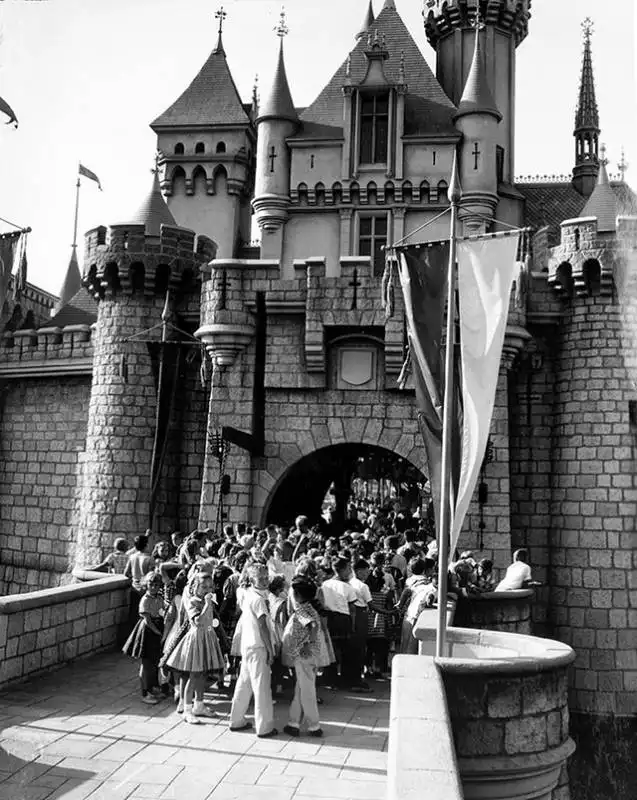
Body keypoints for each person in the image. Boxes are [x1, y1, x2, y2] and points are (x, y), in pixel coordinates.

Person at [164, 571, 224, 724]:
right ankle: (187, 709)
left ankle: (199, 704)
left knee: (203, 674)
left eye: (210, 587)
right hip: (196, 640)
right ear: (195, 587)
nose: (208, 590)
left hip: (207, 638)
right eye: (203, 587)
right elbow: (199, 621)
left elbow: (212, 621)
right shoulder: (193, 602)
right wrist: (208, 604)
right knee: (193, 676)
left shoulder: (207, 601)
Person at [229, 563, 278, 738]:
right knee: (262, 687)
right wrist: (270, 649)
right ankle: (264, 727)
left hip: (247, 645)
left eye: (266, 577)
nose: (265, 581)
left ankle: (236, 719)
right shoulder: (258, 599)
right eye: (261, 578)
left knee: (244, 684)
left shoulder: (247, 594)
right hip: (258, 646)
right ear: (251, 579)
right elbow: (263, 625)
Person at [282, 577, 323, 738]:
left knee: (306, 691)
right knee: (300, 690)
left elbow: (311, 626)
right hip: (308, 657)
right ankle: (293, 723)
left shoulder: (301, 611)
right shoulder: (310, 608)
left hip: (304, 655)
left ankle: (314, 726)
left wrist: (307, 644)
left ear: (297, 595)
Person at [122, 571, 165, 705]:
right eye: (151, 584)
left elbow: (161, 612)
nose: (153, 587)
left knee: (154, 662)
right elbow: (147, 619)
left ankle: (152, 688)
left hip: (157, 628)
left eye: (156, 585)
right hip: (147, 632)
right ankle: (145, 692)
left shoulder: (158, 598)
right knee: (146, 664)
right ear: (146, 584)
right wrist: (157, 632)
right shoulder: (145, 599)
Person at [321, 556, 357, 687]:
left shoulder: (325, 584)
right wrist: (353, 625)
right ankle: (345, 679)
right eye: (348, 568)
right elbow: (352, 609)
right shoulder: (347, 587)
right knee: (345, 651)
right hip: (343, 619)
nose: (350, 571)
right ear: (341, 570)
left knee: (331, 649)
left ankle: (330, 678)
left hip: (329, 619)